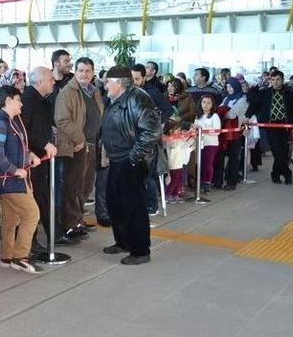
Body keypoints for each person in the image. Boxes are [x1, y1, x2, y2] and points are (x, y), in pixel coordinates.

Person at [101, 66, 161, 265]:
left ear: (119, 83)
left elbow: (151, 132)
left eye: (108, 81)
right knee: (115, 203)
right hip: (117, 159)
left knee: (134, 207)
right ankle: (123, 242)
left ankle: (141, 250)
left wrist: (133, 158)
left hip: (131, 161)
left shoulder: (138, 98)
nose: (105, 85)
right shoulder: (116, 99)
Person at [0, 85, 42, 274]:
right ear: (8, 101)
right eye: (18, 99)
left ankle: (7, 256)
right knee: (32, 214)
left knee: (11, 218)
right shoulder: (1, 123)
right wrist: (14, 170)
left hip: (7, 180)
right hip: (9, 181)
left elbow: (18, 149)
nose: (22, 103)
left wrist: (30, 155)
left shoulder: (10, 121)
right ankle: (20, 256)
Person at [55, 58, 104, 243]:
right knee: (73, 186)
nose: (84, 74)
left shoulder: (94, 92)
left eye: (88, 71)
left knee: (86, 186)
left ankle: (78, 219)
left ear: (93, 73)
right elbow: (62, 120)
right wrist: (80, 139)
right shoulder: (67, 92)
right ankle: (69, 224)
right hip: (76, 146)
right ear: (75, 72)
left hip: (93, 145)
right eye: (81, 70)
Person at [21, 67, 60, 248]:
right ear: (39, 82)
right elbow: (24, 130)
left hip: (42, 158)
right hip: (32, 159)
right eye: (50, 79)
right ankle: (31, 241)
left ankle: (54, 234)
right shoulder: (28, 100)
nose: (53, 81)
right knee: (33, 200)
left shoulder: (40, 100)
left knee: (43, 197)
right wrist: (43, 143)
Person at [246, 70, 293, 184]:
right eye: (273, 80)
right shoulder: (265, 93)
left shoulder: (289, 94)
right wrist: (247, 116)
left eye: (278, 79)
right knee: (277, 151)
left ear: (282, 80)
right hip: (270, 126)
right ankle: (287, 173)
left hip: (285, 126)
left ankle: (275, 174)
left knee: (284, 153)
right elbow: (253, 105)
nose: (275, 82)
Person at [215, 78, 247, 190]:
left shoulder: (243, 99)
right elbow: (220, 111)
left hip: (235, 133)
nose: (229, 89)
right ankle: (218, 181)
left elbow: (232, 114)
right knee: (220, 157)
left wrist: (223, 111)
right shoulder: (226, 98)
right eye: (227, 86)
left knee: (233, 158)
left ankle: (231, 182)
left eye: (231, 86)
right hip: (223, 133)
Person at [194, 95, 221, 195]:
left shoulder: (215, 116)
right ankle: (200, 182)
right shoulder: (198, 116)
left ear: (212, 105)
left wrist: (204, 130)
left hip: (211, 143)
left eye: (208, 103)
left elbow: (217, 131)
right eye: (204, 102)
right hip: (200, 143)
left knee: (208, 164)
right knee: (199, 163)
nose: (205, 105)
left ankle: (207, 183)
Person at [164, 121, 194, 203]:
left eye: (179, 130)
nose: (179, 131)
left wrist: (192, 138)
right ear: (171, 131)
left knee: (178, 180)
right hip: (173, 164)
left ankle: (175, 194)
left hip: (179, 163)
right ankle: (168, 195)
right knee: (173, 181)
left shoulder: (178, 138)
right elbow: (175, 145)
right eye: (177, 130)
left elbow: (185, 145)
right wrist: (183, 137)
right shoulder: (170, 139)